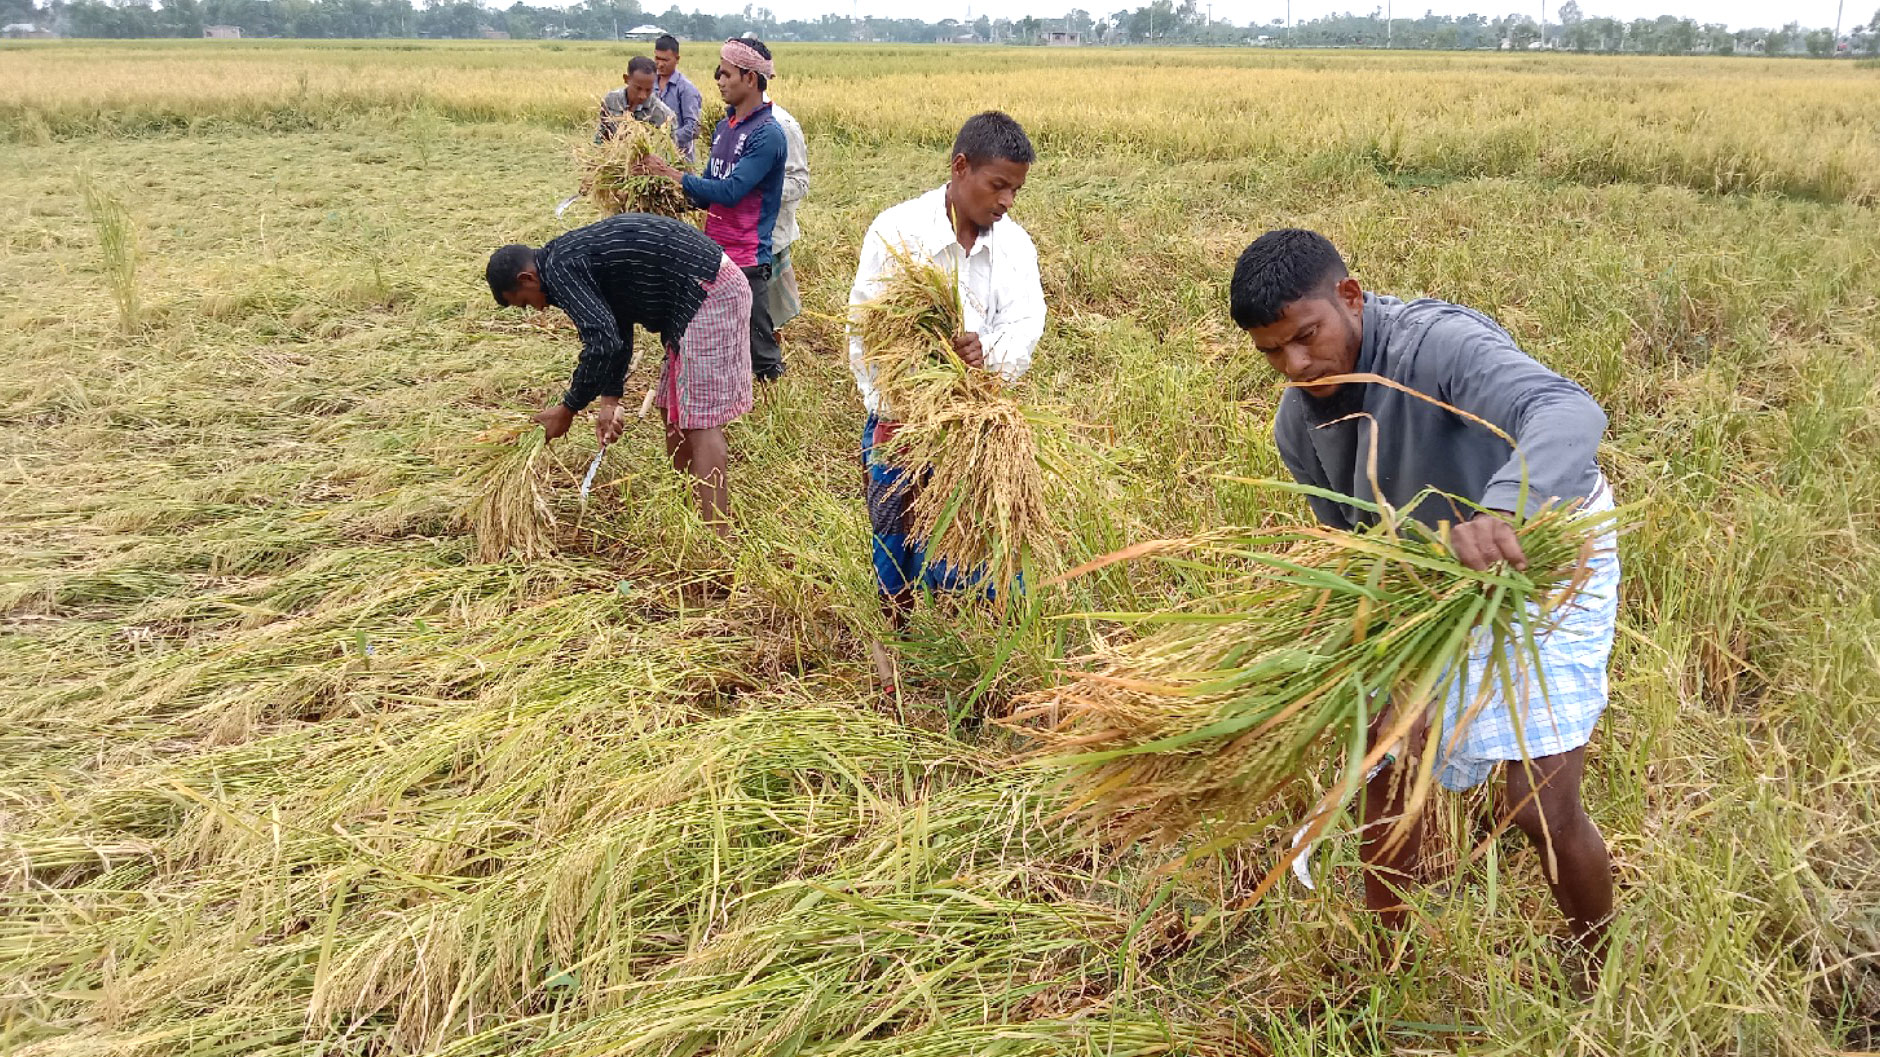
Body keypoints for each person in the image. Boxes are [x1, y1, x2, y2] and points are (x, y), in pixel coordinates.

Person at [1228, 228, 1619, 980]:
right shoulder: (1298, 425)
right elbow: (1353, 548)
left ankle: (1595, 964)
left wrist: (1503, 511)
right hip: (1430, 580)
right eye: (1273, 353)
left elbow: (1567, 410)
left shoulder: (1437, 346)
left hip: (1546, 550)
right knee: (1389, 766)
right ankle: (1385, 968)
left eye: (1306, 337)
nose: (1296, 367)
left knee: (1537, 804)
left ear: (1350, 296)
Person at [846, 111, 1044, 686]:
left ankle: (983, 660)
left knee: (985, 536)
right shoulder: (897, 232)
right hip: (904, 421)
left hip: (980, 426)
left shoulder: (1014, 246)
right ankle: (894, 652)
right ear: (960, 168)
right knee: (895, 536)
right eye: (998, 185)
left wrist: (988, 352)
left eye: (1016, 190)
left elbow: (1028, 320)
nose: (1007, 201)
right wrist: (904, 396)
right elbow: (867, 329)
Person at [485, 214, 753, 537]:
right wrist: (609, 400)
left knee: (700, 422)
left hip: (710, 293)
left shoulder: (559, 271)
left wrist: (568, 408)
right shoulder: (564, 260)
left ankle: (717, 539)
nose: (537, 310)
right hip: (691, 301)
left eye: (525, 303)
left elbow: (602, 342)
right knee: (672, 410)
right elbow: (616, 323)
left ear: (527, 278)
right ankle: (688, 518)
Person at [636, 37, 788, 383]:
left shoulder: (767, 134)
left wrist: (673, 174)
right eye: (719, 73)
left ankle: (769, 386)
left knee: (758, 345)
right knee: (703, 328)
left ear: (750, 78)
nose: (719, 80)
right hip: (713, 249)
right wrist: (660, 189)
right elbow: (707, 194)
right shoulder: (724, 129)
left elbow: (731, 192)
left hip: (747, 255)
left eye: (726, 74)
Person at [765, 93, 810, 343]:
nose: (721, 82)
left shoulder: (782, 124)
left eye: (729, 75)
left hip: (772, 234)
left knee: (770, 315)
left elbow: (799, 182)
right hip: (738, 233)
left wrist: (756, 190)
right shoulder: (732, 122)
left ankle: (769, 366)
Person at [595, 55, 675, 144]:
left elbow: (670, 149)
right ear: (626, 79)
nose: (643, 96)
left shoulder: (662, 114)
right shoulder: (611, 101)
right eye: (638, 88)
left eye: (648, 90)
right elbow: (602, 134)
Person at [652, 34, 704, 166]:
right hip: (652, 161)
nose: (660, 64)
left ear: (677, 59)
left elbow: (693, 128)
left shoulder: (686, 89)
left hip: (680, 162)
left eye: (666, 60)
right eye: (657, 59)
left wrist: (666, 139)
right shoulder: (649, 84)